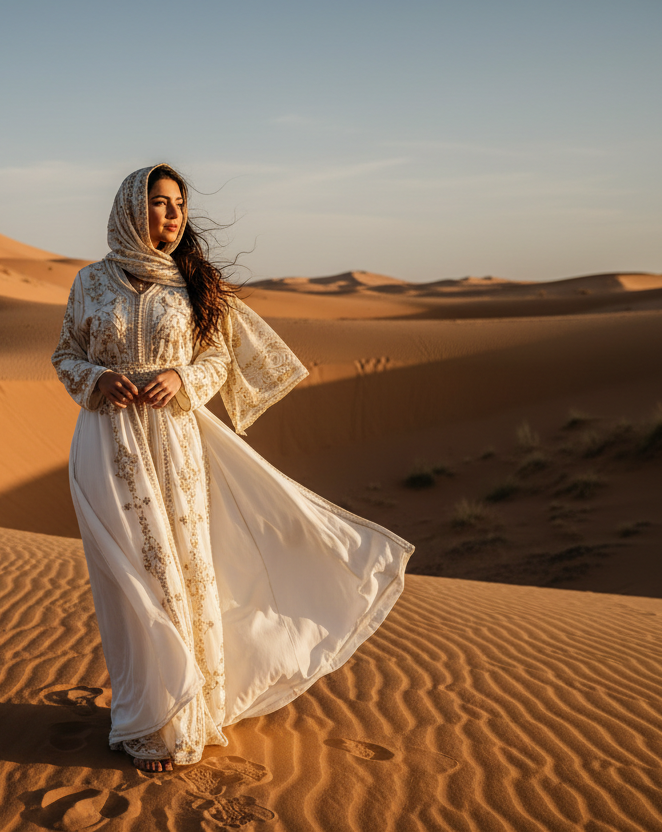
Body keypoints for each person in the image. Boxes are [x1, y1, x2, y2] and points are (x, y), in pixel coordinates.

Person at [51, 163, 413, 773]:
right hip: (106, 443)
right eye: (158, 203)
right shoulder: (89, 282)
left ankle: (186, 715)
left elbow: (216, 358)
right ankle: (147, 712)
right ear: (127, 209)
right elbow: (65, 355)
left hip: (176, 443)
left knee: (181, 574)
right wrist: (95, 378)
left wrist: (182, 378)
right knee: (130, 580)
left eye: (178, 206)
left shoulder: (192, 286)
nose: (171, 216)